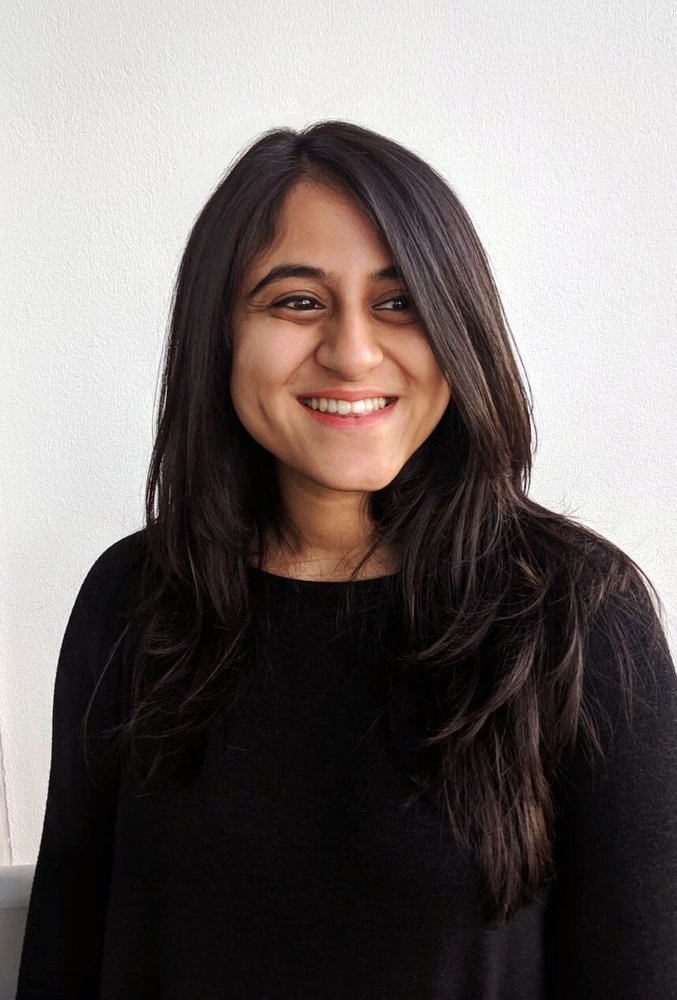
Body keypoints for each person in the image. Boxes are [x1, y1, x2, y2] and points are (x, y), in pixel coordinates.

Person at [16, 120, 677, 999]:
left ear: (458, 328)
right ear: (220, 333)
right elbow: (64, 952)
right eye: (297, 301)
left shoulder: (578, 614)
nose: (353, 351)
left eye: (398, 302)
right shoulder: (133, 597)